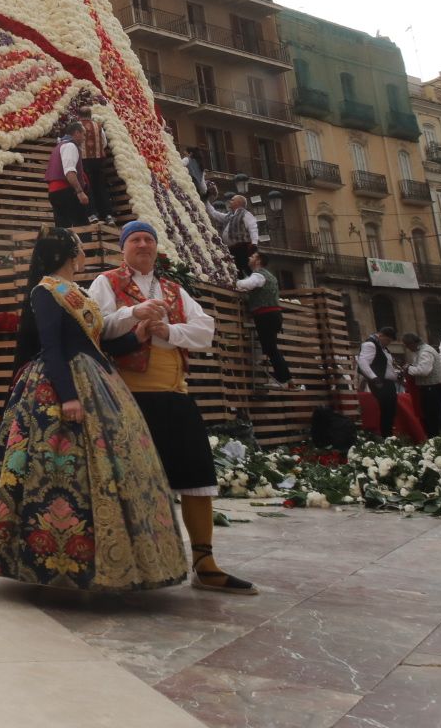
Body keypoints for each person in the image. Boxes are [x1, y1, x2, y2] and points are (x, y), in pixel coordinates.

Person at [0, 227, 188, 591]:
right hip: (57, 388)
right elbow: (52, 347)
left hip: (98, 379)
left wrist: (138, 336)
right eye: (80, 249)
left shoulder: (78, 293)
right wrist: (67, 395)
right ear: (69, 255)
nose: (84, 255)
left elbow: (95, 346)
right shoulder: (45, 291)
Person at [92, 221, 256, 594]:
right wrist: (133, 314)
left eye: (149, 239)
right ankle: (130, 558)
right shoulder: (106, 282)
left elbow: (204, 330)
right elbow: (97, 327)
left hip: (175, 394)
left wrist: (170, 332)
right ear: (123, 249)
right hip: (127, 398)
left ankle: (204, 561)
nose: (143, 244)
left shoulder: (175, 289)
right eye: (135, 239)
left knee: (197, 476)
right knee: (131, 480)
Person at [233, 250, 291, 391]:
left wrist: (234, 282)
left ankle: (284, 379)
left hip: (266, 316)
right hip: (273, 315)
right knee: (271, 348)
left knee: (271, 349)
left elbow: (245, 285)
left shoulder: (259, 275)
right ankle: (286, 379)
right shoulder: (270, 276)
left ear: (258, 261)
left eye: (252, 256)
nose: (249, 257)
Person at [402, 332, 441, 438]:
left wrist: (409, 368)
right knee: (432, 415)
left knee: (433, 415)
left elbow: (424, 370)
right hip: (431, 386)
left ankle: (437, 438)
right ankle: (436, 437)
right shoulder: (421, 350)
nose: (408, 349)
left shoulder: (425, 352)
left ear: (411, 344)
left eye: (407, 346)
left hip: (433, 387)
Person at [357, 326, 401, 437]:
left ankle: (389, 435)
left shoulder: (383, 348)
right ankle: (386, 436)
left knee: (391, 410)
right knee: (386, 410)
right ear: (381, 336)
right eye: (388, 340)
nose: (388, 343)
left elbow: (387, 365)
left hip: (388, 382)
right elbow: (363, 363)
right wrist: (374, 378)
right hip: (380, 382)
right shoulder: (370, 345)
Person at [44, 124, 91, 229]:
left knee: (62, 227)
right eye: (84, 134)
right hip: (66, 191)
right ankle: (84, 246)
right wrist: (80, 192)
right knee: (82, 226)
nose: (84, 138)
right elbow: (69, 172)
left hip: (54, 192)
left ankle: (63, 245)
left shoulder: (58, 147)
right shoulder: (70, 146)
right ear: (76, 133)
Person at [76, 108, 115, 224]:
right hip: (98, 160)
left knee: (87, 187)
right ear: (90, 115)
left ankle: (92, 214)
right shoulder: (98, 126)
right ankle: (107, 214)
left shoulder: (76, 126)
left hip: (83, 161)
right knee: (100, 186)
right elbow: (104, 143)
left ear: (79, 115)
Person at [208, 194, 259, 276]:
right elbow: (215, 214)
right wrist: (206, 201)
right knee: (236, 270)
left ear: (238, 202)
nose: (230, 202)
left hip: (242, 248)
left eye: (232, 200)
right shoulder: (230, 216)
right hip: (232, 249)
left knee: (245, 269)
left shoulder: (245, 214)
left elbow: (253, 227)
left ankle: (250, 284)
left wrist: (254, 243)